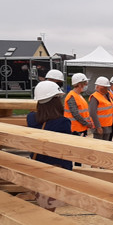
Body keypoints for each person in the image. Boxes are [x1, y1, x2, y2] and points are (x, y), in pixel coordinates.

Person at [26, 80, 71, 212]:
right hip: (55, 170)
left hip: (37, 167)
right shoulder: (62, 123)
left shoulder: (31, 118)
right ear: (55, 100)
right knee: (50, 208)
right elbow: (67, 149)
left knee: (43, 206)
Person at [64, 73, 94, 137]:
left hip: (81, 127)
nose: (86, 85)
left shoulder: (78, 95)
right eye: (85, 84)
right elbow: (75, 114)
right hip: (75, 129)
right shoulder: (72, 96)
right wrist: (86, 124)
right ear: (80, 84)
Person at [88, 76, 113, 141]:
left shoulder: (107, 95)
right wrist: (98, 127)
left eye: (106, 87)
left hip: (108, 126)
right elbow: (92, 113)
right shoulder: (95, 97)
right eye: (104, 87)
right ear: (98, 87)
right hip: (100, 127)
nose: (106, 89)